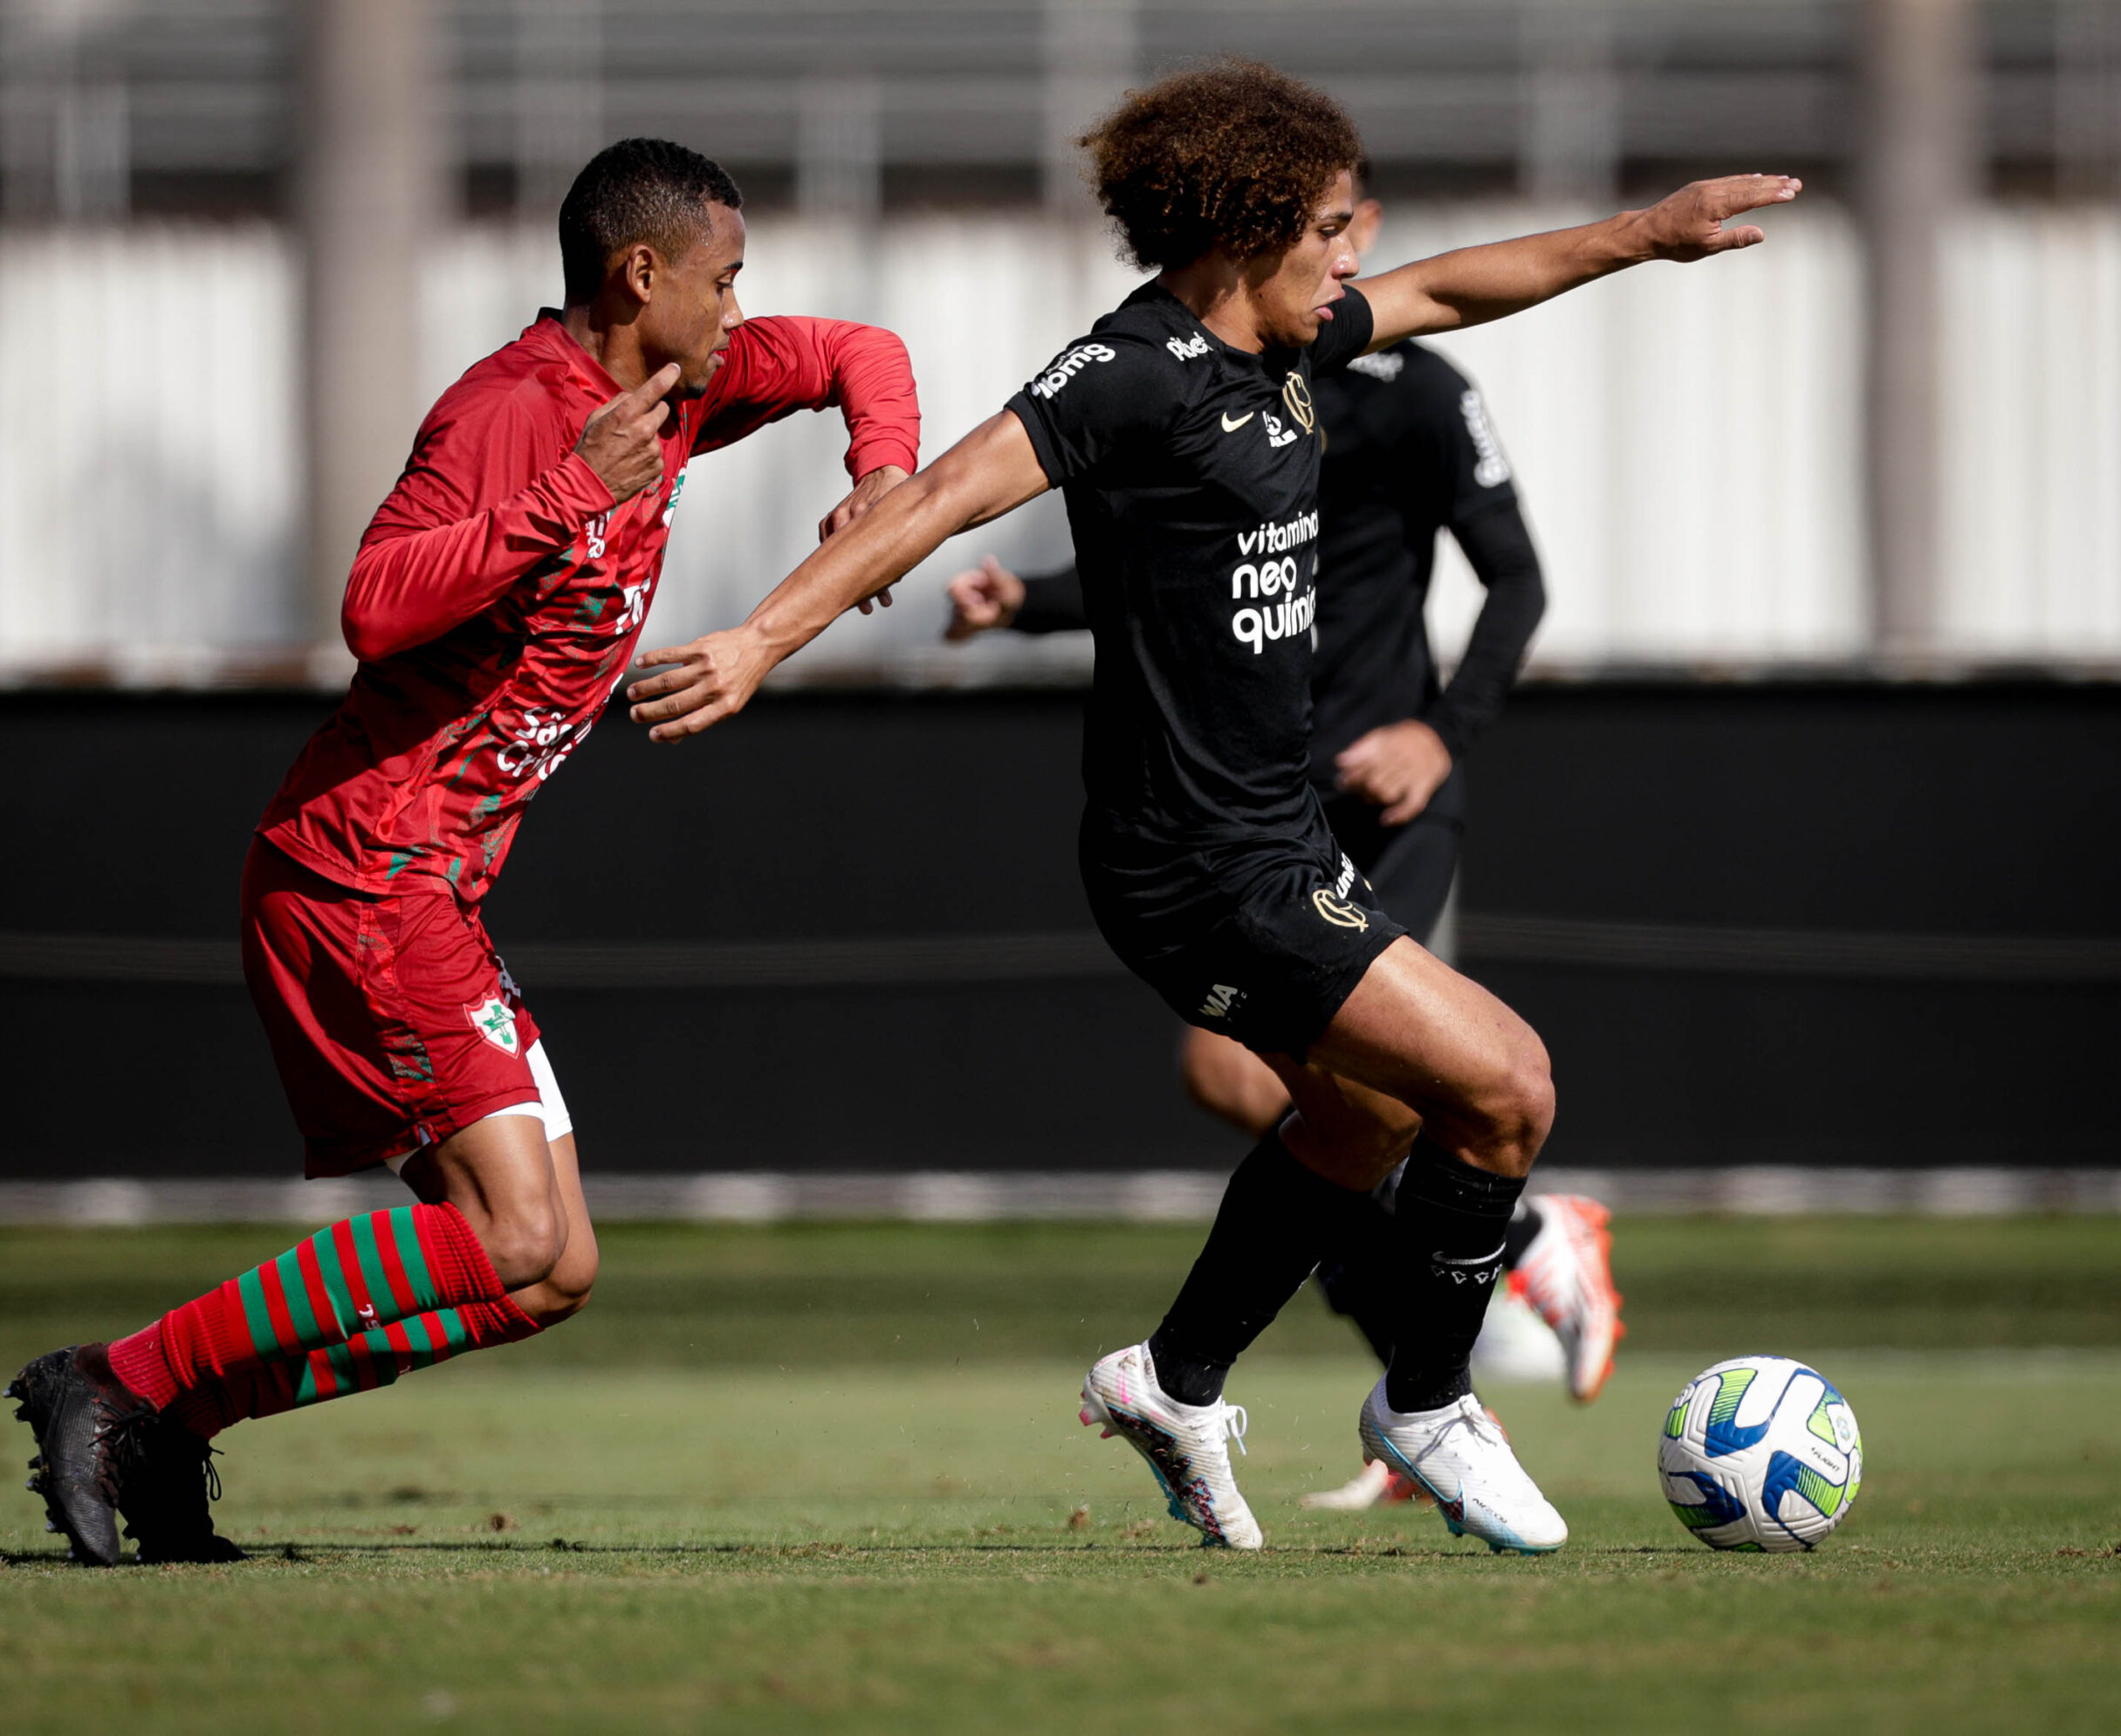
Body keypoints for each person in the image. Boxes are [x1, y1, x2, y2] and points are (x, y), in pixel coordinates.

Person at [626, 59, 1795, 1554]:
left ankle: (1175, 1381)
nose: (1358, 253)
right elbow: (934, 501)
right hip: (1193, 863)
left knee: (1365, 1111)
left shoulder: (1297, 344)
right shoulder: (1134, 371)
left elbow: (1453, 287)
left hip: (1271, 839)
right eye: (1328, 226)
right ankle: (1428, 1399)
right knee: (1508, 1086)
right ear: (1250, 229)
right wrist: (756, 642)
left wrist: (1646, 230)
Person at [4, 137, 921, 1567]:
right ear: (643, 273)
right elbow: (374, 602)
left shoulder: (680, 388)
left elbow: (865, 349)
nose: (745, 308)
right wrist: (562, 495)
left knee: (551, 1271)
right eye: (727, 277)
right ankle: (118, 1383)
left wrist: (881, 471)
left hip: (423, 883)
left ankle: (173, 1423)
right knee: (508, 1235)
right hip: (363, 869)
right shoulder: (512, 412)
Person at [942, 166, 1623, 1512]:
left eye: (1351, 221)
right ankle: (1414, 1355)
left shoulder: (1409, 383)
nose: (1346, 248)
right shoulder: (1206, 372)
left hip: (1382, 801)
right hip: (1261, 806)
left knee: (1450, 1087)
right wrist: (1021, 601)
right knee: (1333, 1096)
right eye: (1322, 225)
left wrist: (1445, 731)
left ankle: (1439, 1368)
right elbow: (1158, 569)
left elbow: (1519, 575)